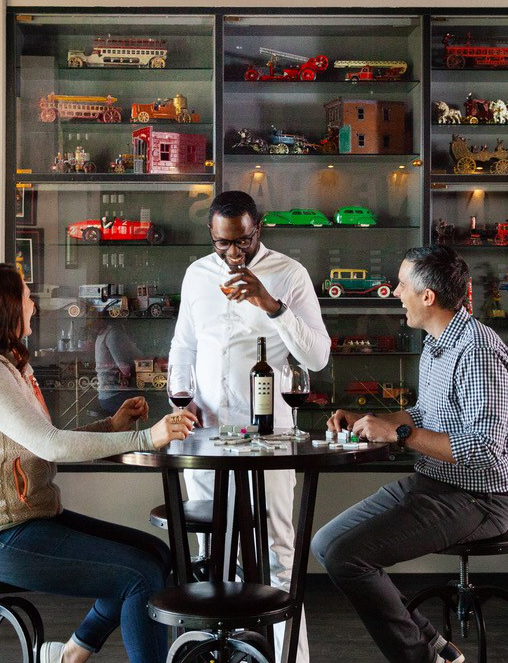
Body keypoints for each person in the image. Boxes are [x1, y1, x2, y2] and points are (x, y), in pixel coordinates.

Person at [0, 263, 195, 663]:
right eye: (24, 295)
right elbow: (50, 445)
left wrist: (112, 425)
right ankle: (77, 651)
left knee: (158, 555)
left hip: (26, 517)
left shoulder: (3, 365)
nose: (32, 306)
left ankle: (72, 653)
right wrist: (147, 437)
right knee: (139, 577)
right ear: (1, 306)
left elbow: (39, 445)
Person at [311, 246, 508, 663]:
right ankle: (435, 646)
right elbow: (427, 413)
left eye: (403, 285)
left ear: (428, 297)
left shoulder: (478, 352)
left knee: (345, 556)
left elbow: (483, 447)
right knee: (325, 543)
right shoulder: (438, 342)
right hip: (434, 483)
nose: (396, 293)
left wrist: (401, 433)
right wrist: (370, 419)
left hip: (478, 498)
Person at [167, 190, 330, 662]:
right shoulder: (197, 274)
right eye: (223, 244)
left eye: (242, 241)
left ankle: (287, 660)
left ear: (258, 229)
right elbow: (183, 346)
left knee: (277, 551)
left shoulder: (289, 274)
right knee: (209, 552)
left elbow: (316, 357)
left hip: (269, 437)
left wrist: (270, 303)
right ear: (212, 236)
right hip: (205, 433)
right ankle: (218, 655)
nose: (233, 253)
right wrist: (181, 399)